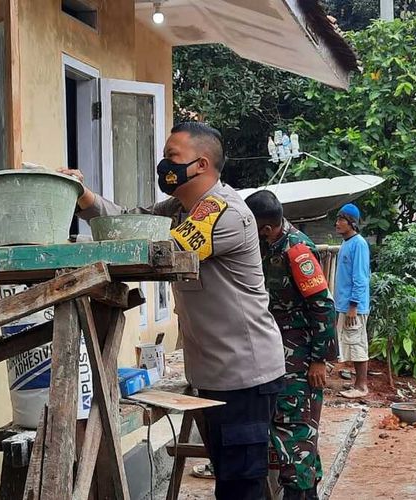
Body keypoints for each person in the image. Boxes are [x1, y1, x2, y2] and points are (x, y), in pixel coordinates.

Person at [59, 122, 285, 499]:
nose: (164, 164)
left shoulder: (225, 212)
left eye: (172, 156)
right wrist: (83, 196)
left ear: (200, 164)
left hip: (246, 374)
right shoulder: (180, 208)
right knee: (231, 482)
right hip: (213, 371)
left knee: (240, 488)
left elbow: (160, 251)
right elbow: (127, 222)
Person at [245, 190, 336, 500]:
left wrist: (319, 360)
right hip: (280, 352)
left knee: (294, 427)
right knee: (299, 434)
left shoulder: (296, 252)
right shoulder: (271, 244)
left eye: (253, 227)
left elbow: (323, 306)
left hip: (300, 358)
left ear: (267, 228)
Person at [334, 203, 371, 399]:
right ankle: (356, 383)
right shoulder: (346, 243)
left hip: (353, 306)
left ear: (352, 223)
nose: (337, 223)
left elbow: (361, 277)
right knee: (350, 343)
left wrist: (353, 305)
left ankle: (362, 386)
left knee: (357, 343)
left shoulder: (359, 244)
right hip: (345, 304)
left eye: (341, 220)